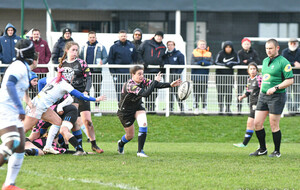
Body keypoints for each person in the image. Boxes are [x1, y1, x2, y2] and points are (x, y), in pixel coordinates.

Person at [117, 66, 181, 157]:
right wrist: (155, 81)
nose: (141, 76)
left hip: (138, 107)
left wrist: (170, 84)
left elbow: (155, 85)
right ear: (133, 75)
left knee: (143, 123)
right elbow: (145, 94)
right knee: (130, 135)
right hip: (125, 112)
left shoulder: (143, 81)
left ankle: (140, 151)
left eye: (142, 74)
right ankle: (121, 144)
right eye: (139, 74)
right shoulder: (130, 85)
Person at [0, 39, 37, 190]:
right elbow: (9, 84)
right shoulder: (19, 66)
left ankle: (9, 184)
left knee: (21, 145)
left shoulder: (24, 67)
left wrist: (26, 102)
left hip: (13, 110)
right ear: (29, 53)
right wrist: (19, 108)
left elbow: (21, 88)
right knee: (12, 142)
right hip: (5, 108)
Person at [249, 39, 294, 158]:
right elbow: (265, 78)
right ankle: (262, 149)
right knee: (257, 123)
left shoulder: (284, 62)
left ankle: (277, 151)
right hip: (263, 96)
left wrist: (276, 87)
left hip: (277, 96)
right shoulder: (264, 61)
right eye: (267, 49)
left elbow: (290, 80)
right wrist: (260, 93)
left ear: (277, 48)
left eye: (271, 48)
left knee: (274, 124)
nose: (268, 51)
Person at [61, 41, 105, 153]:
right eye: (73, 50)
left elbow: (89, 78)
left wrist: (86, 91)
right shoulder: (62, 64)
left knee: (88, 122)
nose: (75, 52)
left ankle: (94, 144)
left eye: (77, 50)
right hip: (70, 96)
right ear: (67, 50)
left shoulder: (82, 63)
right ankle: (78, 147)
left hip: (82, 94)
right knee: (75, 121)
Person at [234, 63, 262, 147]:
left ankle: (246, 144)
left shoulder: (259, 78)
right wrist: (242, 96)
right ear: (248, 71)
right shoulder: (249, 79)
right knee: (256, 124)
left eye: (254, 69)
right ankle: (261, 145)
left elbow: (263, 89)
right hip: (252, 103)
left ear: (257, 70)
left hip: (258, 104)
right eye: (251, 69)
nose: (253, 70)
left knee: (252, 123)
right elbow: (248, 91)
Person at [137, 31, 166, 112]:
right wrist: (142, 62)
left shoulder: (163, 47)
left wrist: (162, 63)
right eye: (158, 36)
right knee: (146, 89)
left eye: (161, 36)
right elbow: (139, 52)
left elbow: (163, 57)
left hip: (156, 71)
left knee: (155, 90)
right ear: (155, 36)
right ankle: (146, 106)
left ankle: (152, 107)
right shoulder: (146, 43)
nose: (159, 37)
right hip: (147, 71)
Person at [79, 31, 108, 109]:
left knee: (97, 89)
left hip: (97, 71)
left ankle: (96, 107)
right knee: (86, 89)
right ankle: (86, 107)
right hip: (86, 72)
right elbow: (80, 58)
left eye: (93, 37)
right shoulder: (84, 47)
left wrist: (103, 62)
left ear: (96, 38)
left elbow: (105, 57)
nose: (92, 39)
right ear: (88, 38)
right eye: (90, 37)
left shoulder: (101, 47)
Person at [108, 30, 137, 101]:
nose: (123, 37)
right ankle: (120, 107)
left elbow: (135, 59)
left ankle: (130, 108)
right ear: (118, 37)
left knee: (130, 91)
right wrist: (113, 74)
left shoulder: (132, 46)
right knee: (119, 91)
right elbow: (110, 61)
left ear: (126, 36)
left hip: (129, 73)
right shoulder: (113, 47)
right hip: (118, 73)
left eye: (124, 36)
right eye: (121, 36)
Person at [215, 41, 240, 114]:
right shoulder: (220, 53)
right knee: (220, 92)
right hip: (220, 76)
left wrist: (231, 64)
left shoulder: (235, 54)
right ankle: (220, 108)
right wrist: (224, 65)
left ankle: (228, 108)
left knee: (229, 92)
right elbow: (216, 62)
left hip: (229, 76)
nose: (228, 49)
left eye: (230, 47)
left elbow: (238, 62)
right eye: (226, 47)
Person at [237, 38, 261, 113]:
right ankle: (239, 108)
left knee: (252, 92)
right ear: (242, 45)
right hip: (241, 75)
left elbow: (257, 61)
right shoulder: (240, 53)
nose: (246, 45)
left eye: (248, 44)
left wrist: (248, 61)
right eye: (245, 44)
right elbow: (239, 62)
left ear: (250, 45)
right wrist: (250, 60)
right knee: (240, 91)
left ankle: (251, 108)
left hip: (252, 77)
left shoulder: (254, 52)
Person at [191, 40, 213, 114]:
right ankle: (196, 107)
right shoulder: (194, 52)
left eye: (204, 44)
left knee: (204, 93)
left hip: (205, 76)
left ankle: (204, 107)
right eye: (201, 44)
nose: (202, 45)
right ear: (198, 45)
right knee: (196, 93)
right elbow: (192, 63)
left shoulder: (209, 53)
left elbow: (211, 62)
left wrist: (202, 63)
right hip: (195, 76)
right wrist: (202, 63)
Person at [164, 40, 185, 112]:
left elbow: (182, 65)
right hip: (168, 76)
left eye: (171, 45)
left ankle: (181, 108)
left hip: (176, 77)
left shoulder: (179, 54)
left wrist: (177, 74)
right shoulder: (165, 55)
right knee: (169, 93)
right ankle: (170, 108)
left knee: (178, 93)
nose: (170, 46)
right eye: (168, 45)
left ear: (174, 45)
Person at [282, 38, 300, 114]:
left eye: (294, 43)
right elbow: (283, 62)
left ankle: (296, 108)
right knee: (288, 93)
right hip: (287, 75)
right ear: (289, 43)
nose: (293, 44)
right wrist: (293, 64)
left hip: (298, 75)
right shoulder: (285, 52)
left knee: (297, 92)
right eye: (291, 43)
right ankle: (290, 109)